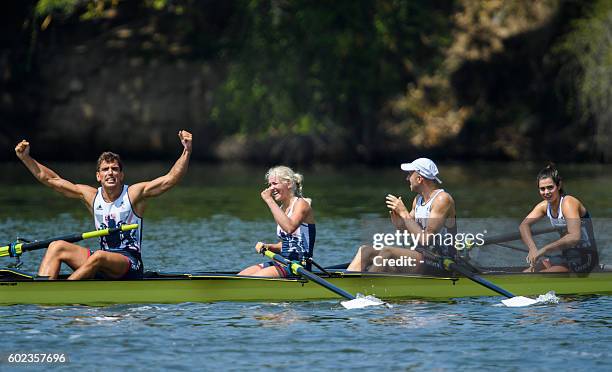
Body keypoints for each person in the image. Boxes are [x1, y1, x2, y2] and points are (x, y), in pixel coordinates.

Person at [14, 130, 193, 280]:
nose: (110, 173)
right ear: (98, 176)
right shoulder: (91, 196)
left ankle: (61, 292)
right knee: (56, 246)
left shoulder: (134, 194)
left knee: (98, 256)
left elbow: (170, 179)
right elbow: (52, 180)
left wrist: (186, 150)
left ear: (121, 175)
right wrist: (26, 158)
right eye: (105, 169)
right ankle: (43, 290)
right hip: (103, 262)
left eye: (115, 169)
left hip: (129, 263)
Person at [346, 158, 456, 274]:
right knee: (365, 250)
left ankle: (364, 288)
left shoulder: (442, 200)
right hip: (421, 257)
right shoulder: (418, 200)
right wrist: (401, 226)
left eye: (409, 174)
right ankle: (346, 285)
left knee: (388, 251)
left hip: (440, 262)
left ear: (419, 179)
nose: (407, 178)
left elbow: (425, 240)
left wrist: (404, 213)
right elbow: (414, 231)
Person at [519, 163, 598, 273]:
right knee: (527, 273)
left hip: (586, 258)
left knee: (539, 276)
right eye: (542, 189)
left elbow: (574, 237)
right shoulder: (544, 206)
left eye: (550, 187)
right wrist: (532, 248)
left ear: (559, 185)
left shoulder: (568, 203)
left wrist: (545, 249)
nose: (546, 192)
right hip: (566, 256)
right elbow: (524, 225)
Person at [239, 166, 316, 277]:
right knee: (242, 275)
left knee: (254, 278)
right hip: (283, 262)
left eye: (274, 184)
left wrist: (269, 200)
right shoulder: (281, 209)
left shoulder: (301, 204)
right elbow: (286, 243)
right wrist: (269, 247)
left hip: (299, 266)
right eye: (270, 185)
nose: (270, 189)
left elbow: (290, 228)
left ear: (288, 183)